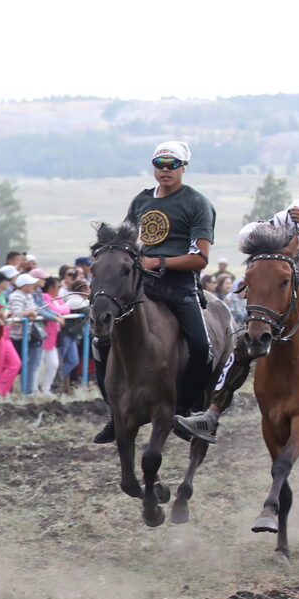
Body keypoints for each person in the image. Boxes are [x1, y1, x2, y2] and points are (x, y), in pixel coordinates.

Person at [92, 141, 217, 444]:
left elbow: (201, 258)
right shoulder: (141, 201)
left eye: (172, 164)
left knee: (201, 347)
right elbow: (126, 240)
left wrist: (156, 261)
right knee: (101, 341)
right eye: (159, 163)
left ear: (183, 167)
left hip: (179, 285)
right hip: (140, 287)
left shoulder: (196, 203)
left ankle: (188, 409)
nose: (165, 169)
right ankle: (115, 412)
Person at [172, 199, 299, 443]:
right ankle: (211, 415)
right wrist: (266, 232)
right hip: (281, 307)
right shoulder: (291, 213)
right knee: (242, 346)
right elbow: (245, 236)